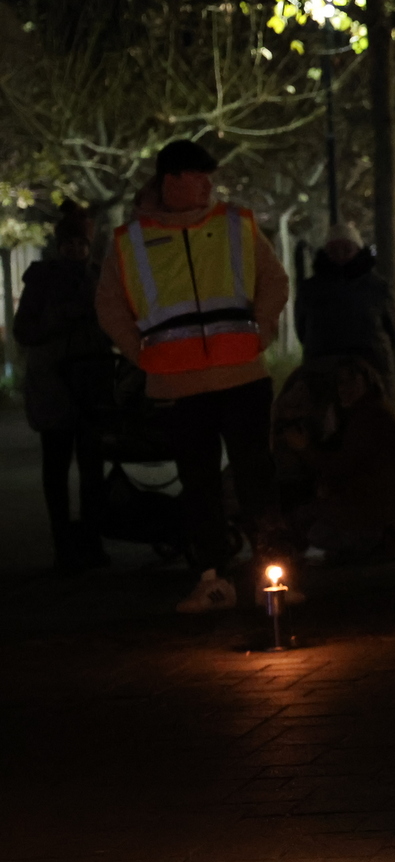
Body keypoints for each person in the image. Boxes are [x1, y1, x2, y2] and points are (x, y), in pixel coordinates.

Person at [96, 139, 289, 612]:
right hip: (182, 382)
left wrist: (262, 330)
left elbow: (274, 279)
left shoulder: (234, 224)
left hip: (239, 375)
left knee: (254, 479)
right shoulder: (131, 241)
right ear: (171, 180)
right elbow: (110, 305)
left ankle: (270, 574)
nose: (208, 185)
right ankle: (213, 579)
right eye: (198, 176)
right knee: (201, 485)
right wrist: (141, 354)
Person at [15, 203, 113, 573]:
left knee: (91, 468)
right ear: (59, 246)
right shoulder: (42, 280)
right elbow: (25, 330)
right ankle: (64, 545)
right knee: (57, 467)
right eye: (69, 244)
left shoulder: (98, 278)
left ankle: (91, 541)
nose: (75, 250)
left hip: (90, 383)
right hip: (55, 384)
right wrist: (61, 318)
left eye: (81, 244)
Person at [281, 359, 395, 565]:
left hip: (381, 507)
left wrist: (304, 448)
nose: (345, 388)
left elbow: (340, 467)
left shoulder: (369, 418)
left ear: (367, 382)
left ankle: (379, 539)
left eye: (352, 381)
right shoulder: (363, 412)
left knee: (315, 529)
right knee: (309, 515)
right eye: (341, 383)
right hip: (379, 502)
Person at [294, 222, 395, 403]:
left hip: (372, 370)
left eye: (346, 248)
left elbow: (393, 329)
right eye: (334, 249)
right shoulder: (310, 290)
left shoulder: (379, 288)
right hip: (323, 372)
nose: (340, 254)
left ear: (358, 250)